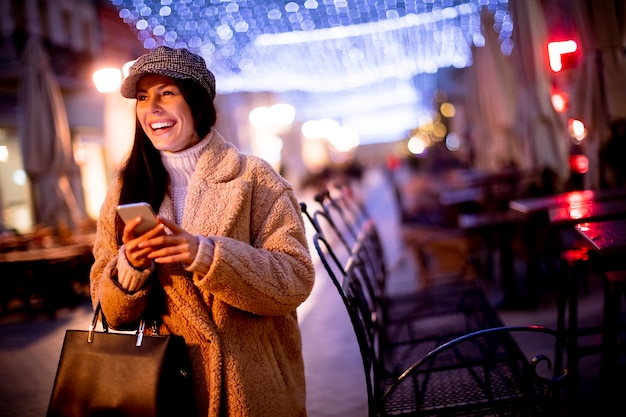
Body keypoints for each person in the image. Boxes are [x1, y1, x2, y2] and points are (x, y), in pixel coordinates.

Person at [89, 46, 315, 417]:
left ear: (196, 103)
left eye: (166, 93)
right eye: (143, 97)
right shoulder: (123, 191)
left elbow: (295, 279)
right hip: (168, 391)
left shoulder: (254, 178)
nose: (152, 107)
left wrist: (206, 254)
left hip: (254, 386)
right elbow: (108, 311)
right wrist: (130, 266)